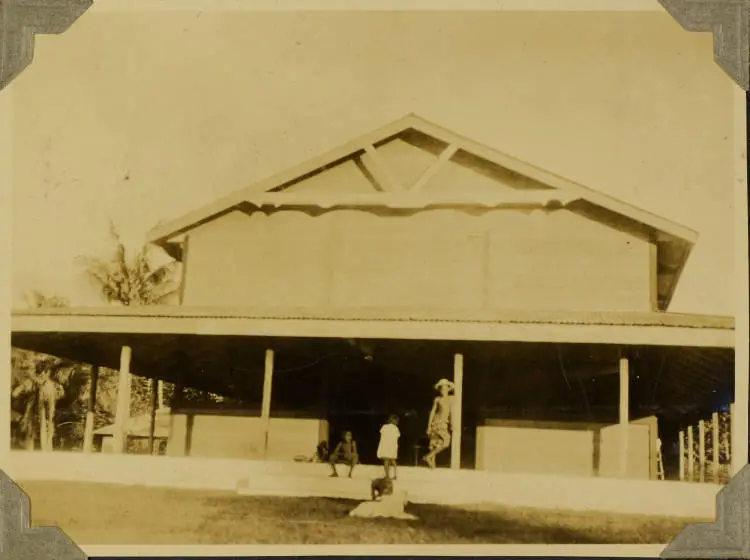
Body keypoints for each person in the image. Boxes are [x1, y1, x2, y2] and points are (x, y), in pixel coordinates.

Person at [423, 378, 454, 469]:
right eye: (441, 388)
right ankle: (431, 461)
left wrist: (451, 423)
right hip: (437, 423)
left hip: (444, 423)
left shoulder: (450, 399)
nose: (443, 390)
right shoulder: (437, 399)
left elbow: (451, 412)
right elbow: (432, 412)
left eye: (445, 388)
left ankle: (429, 457)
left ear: (448, 389)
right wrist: (429, 425)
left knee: (443, 443)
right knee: (437, 443)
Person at [377, 414, 400, 480]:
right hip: (392, 446)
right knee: (392, 460)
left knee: (387, 461)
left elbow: (381, 434)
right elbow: (397, 437)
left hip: (386, 445)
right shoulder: (395, 428)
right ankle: (394, 475)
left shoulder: (384, 427)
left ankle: (387, 475)